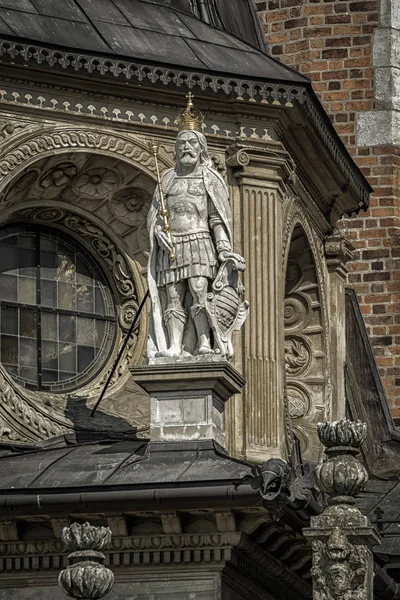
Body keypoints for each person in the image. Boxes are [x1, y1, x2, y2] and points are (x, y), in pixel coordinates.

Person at [147, 94, 245, 358]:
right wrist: (157, 232)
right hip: (172, 243)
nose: (186, 147)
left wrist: (223, 249)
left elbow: (216, 217)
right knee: (173, 296)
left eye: (191, 142)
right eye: (181, 144)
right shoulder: (166, 179)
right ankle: (175, 345)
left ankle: (204, 340)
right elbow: (156, 217)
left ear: (201, 148)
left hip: (200, 241)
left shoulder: (209, 178)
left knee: (200, 291)